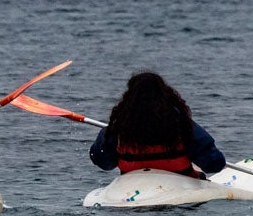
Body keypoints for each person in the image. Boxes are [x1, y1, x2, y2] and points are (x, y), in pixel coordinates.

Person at [90, 71, 226, 178]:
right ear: (164, 95)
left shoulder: (117, 129)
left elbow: (104, 163)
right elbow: (214, 164)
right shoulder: (182, 124)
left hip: (132, 187)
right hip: (179, 183)